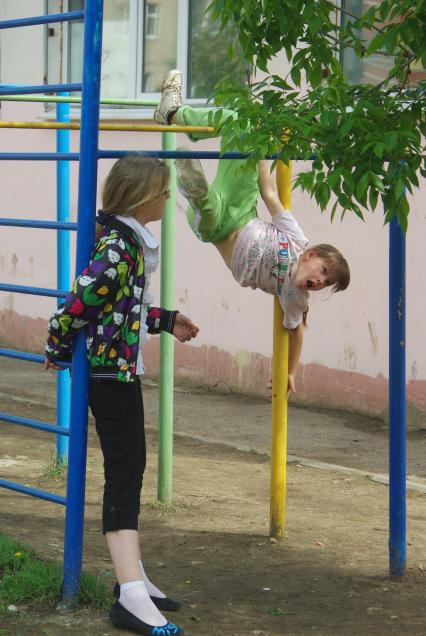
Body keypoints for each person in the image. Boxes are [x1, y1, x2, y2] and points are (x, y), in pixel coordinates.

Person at [45, 155, 198, 636]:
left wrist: (166, 320)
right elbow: (79, 301)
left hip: (120, 369)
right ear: (139, 196)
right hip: (109, 375)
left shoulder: (128, 241)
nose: (168, 198)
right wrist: (57, 343)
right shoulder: (117, 248)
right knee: (124, 472)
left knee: (132, 468)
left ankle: (133, 579)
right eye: (163, 190)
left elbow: (121, 309)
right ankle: (130, 594)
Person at [154, 70, 350, 393]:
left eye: (326, 284)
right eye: (324, 272)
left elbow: (297, 332)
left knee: (210, 208)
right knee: (241, 121)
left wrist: (290, 371)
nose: (320, 282)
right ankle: (173, 113)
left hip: (218, 232)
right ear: (312, 255)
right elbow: (269, 195)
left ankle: (196, 190)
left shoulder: (296, 298)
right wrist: (260, 146)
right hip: (244, 212)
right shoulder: (297, 240)